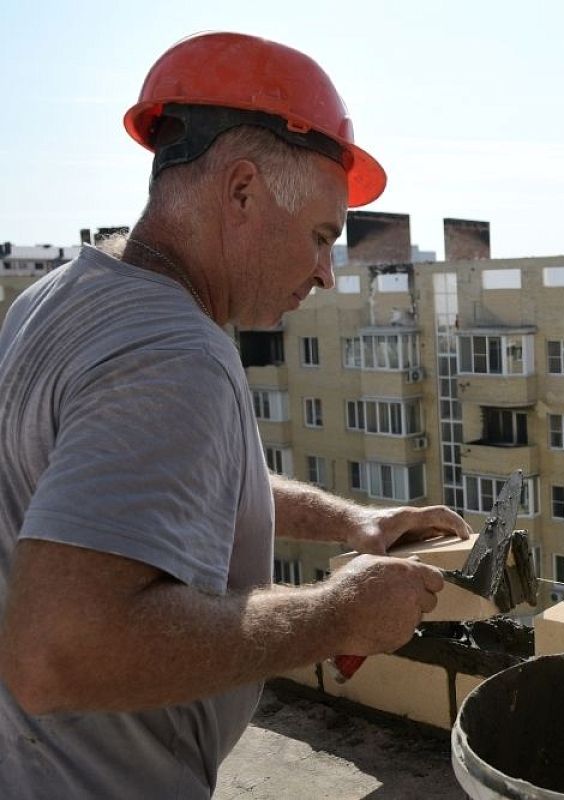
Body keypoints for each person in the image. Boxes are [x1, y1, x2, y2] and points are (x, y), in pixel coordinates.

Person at [0, 32, 471, 798]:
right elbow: (56, 655)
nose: (325, 270)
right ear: (243, 190)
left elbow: (171, 484)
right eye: (322, 236)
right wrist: (332, 616)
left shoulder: (66, 296)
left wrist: (354, 524)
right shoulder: (173, 355)